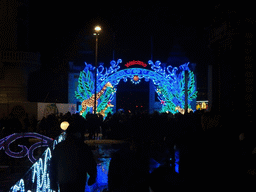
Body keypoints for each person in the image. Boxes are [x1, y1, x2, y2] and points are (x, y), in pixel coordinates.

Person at [50, 114, 97, 192]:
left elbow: (53, 166)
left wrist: (53, 182)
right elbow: (90, 163)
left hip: (63, 180)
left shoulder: (59, 147)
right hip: (78, 180)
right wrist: (92, 176)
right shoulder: (83, 147)